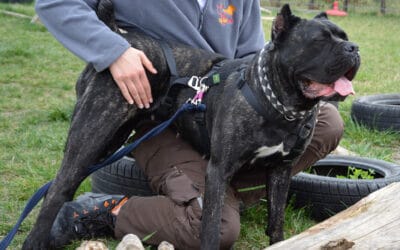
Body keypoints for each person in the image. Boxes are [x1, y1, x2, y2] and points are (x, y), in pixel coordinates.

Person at [35, 0, 344, 249]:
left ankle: (217, 193)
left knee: (326, 121)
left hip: (222, 115)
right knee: (217, 230)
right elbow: (56, 3)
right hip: (156, 115)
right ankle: (108, 210)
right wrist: (114, 52)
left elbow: (253, 59)